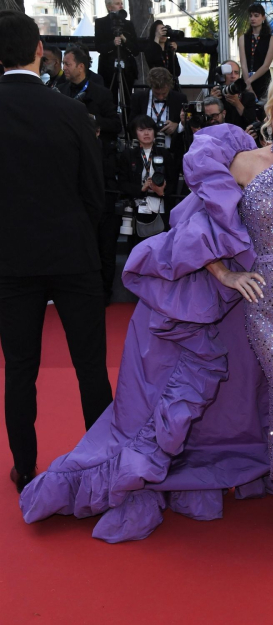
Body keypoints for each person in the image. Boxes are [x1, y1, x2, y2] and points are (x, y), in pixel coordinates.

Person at [19, 69, 273, 572]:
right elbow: (195, 223)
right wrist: (226, 275)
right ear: (269, 112)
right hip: (264, 306)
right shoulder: (242, 164)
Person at [0, 11, 113, 493]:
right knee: (91, 366)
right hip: (73, 256)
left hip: (11, 262)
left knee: (20, 370)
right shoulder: (69, 111)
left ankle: (25, 467)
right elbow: (96, 193)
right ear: (39, 51)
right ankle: (104, 463)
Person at [118, 114, 175, 247]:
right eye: (141, 130)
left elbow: (172, 180)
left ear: (154, 131)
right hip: (137, 206)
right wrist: (141, 188)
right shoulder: (128, 154)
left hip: (160, 206)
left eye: (149, 129)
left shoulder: (164, 153)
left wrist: (163, 190)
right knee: (137, 247)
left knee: (161, 247)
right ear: (135, 133)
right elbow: (122, 183)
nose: (146, 133)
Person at [60, 46, 121, 144]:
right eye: (63, 63)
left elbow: (116, 124)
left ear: (80, 67)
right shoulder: (60, 90)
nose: (64, 68)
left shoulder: (101, 93)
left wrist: (94, 119)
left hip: (92, 146)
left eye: (67, 64)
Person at [130, 67, 186, 150]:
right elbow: (131, 124)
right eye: (157, 93)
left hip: (172, 149)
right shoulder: (138, 98)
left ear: (169, 87)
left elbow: (188, 125)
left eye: (164, 93)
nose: (160, 97)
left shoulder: (180, 98)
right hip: (144, 149)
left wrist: (178, 126)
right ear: (151, 86)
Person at [94, 0, 139, 104]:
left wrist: (124, 39)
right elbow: (99, 46)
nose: (121, 6)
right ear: (109, 7)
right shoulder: (101, 23)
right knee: (110, 99)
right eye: (117, 4)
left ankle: (127, 119)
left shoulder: (128, 24)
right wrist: (112, 43)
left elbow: (136, 49)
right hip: (108, 68)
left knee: (128, 100)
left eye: (121, 3)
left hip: (127, 69)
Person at [238, 3, 273, 100]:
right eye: (250, 16)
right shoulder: (243, 38)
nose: (252, 18)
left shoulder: (270, 39)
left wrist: (249, 81)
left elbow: (266, 65)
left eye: (256, 15)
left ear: (263, 17)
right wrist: (248, 84)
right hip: (246, 78)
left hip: (262, 79)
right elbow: (243, 64)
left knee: (263, 109)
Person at [210, 60, 256, 129]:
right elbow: (208, 123)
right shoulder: (216, 94)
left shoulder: (248, 96)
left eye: (236, 73)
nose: (233, 76)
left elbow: (251, 122)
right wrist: (212, 101)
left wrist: (238, 104)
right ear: (221, 75)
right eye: (229, 73)